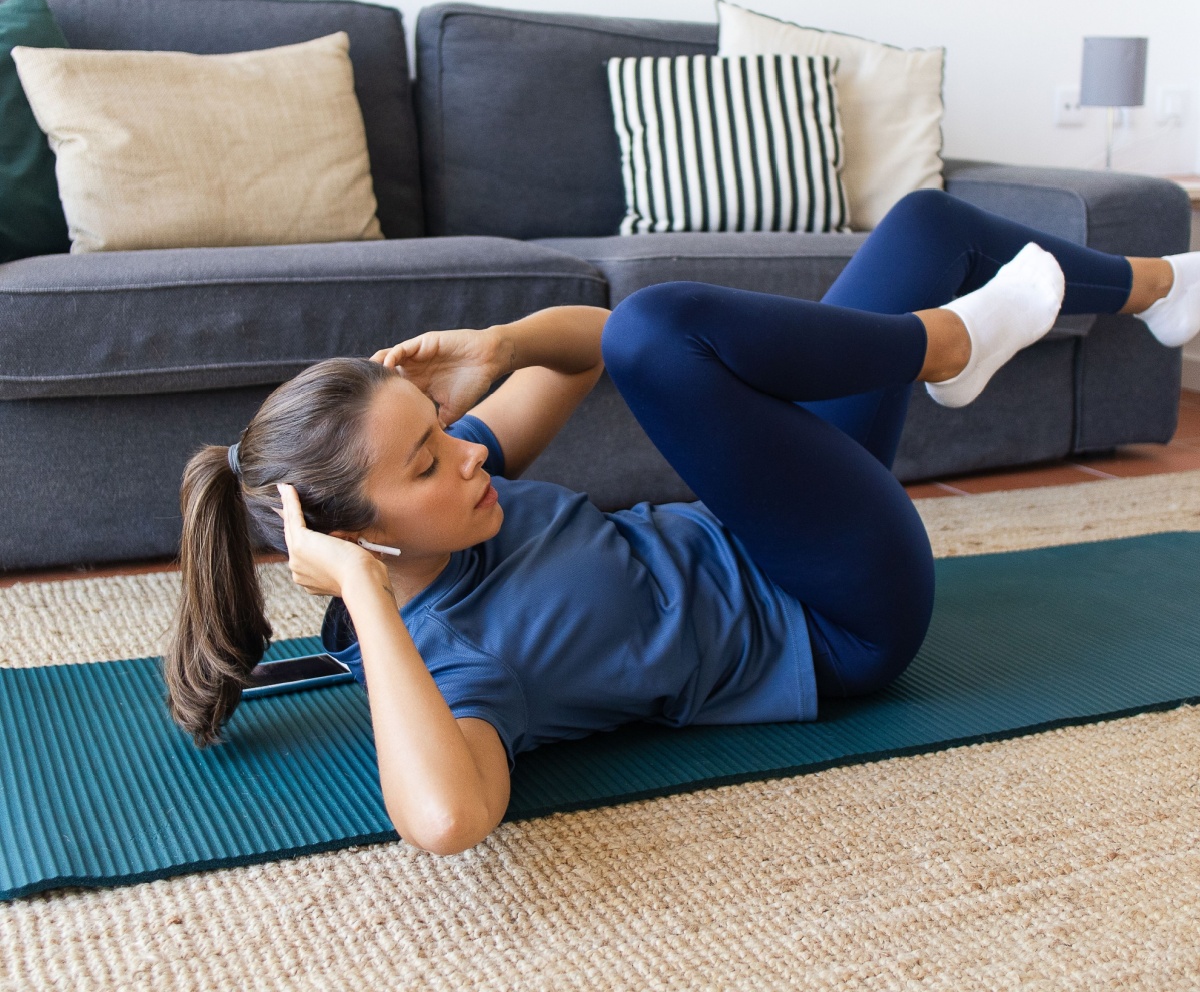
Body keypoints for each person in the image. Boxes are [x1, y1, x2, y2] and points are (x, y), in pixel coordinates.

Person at [164, 189, 1200, 856]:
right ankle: (939, 350)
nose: (471, 449)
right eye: (430, 457)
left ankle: (1166, 292)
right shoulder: (451, 664)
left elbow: (590, 350)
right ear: (362, 538)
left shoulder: (464, 499)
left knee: (927, 226)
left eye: (445, 425)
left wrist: (504, 342)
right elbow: (444, 819)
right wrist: (356, 593)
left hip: (767, 514)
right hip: (834, 613)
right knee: (664, 329)